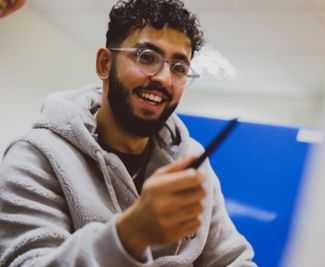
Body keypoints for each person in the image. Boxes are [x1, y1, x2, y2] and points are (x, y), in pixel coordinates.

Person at [0, 0, 256, 266]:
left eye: (179, 68)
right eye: (147, 58)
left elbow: (232, 259)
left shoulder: (192, 159)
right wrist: (128, 235)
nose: (164, 79)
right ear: (104, 64)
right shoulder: (36, 156)